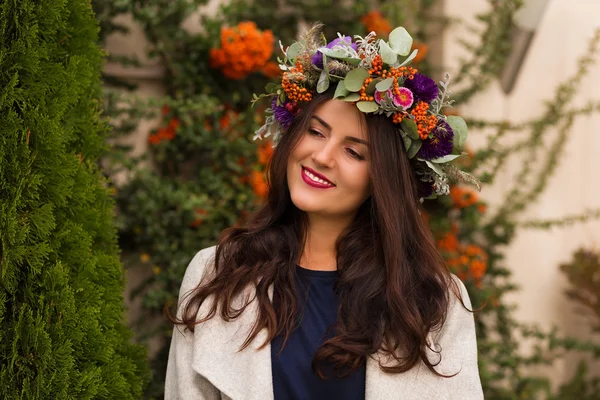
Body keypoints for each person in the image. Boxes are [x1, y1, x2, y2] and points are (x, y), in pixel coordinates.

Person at [165, 23, 484, 400]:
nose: (321, 156)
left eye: (353, 151)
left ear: (383, 180)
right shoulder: (217, 275)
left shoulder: (432, 301)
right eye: (316, 132)